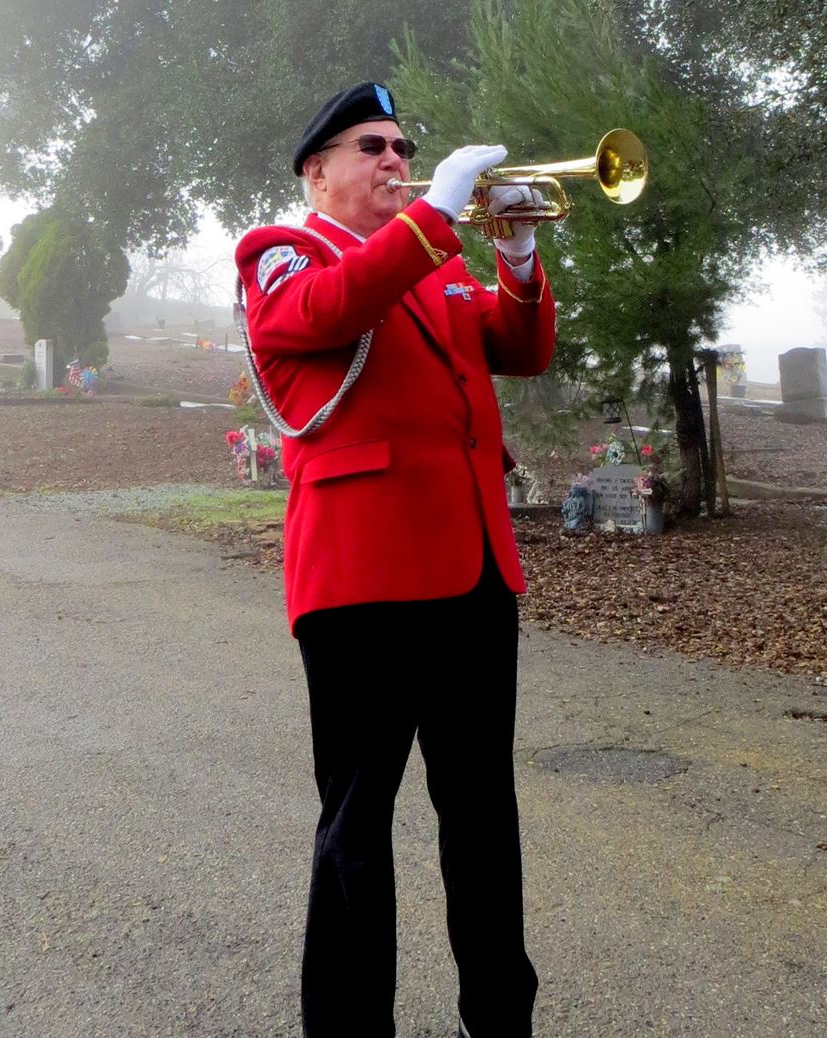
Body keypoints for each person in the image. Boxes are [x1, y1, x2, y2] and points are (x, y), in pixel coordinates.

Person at [234, 81, 555, 1038]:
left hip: (472, 572)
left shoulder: (430, 262)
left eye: (404, 148)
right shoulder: (284, 254)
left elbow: (518, 349)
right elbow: (323, 315)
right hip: (363, 583)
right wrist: (434, 213)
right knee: (356, 828)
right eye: (370, 146)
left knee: (484, 822)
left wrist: (519, 260)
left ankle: (501, 1021)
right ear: (316, 171)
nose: (394, 160)